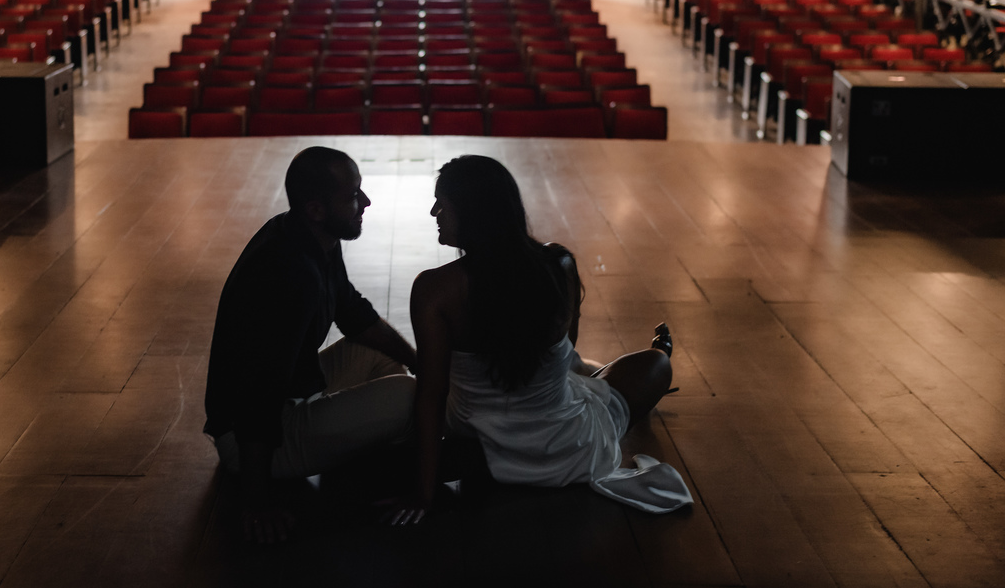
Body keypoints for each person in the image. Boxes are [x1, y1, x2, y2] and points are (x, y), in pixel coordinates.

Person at [385, 155, 692, 525]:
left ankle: (497, 457)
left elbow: (431, 394)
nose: (434, 211)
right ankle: (659, 352)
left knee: (588, 380)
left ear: (472, 211)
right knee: (654, 365)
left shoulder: (434, 290)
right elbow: (568, 356)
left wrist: (425, 490)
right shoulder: (557, 266)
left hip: (480, 435)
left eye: (442, 202)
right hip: (567, 445)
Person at [204, 146, 418, 544]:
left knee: (384, 355)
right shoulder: (289, 276)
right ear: (317, 209)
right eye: (354, 195)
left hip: (291, 399)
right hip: (254, 442)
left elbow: (354, 315)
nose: (365, 202)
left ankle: (359, 445)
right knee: (408, 395)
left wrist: (422, 363)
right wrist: (257, 502)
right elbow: (259, 391)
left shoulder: (310, 234)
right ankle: (385, 454)